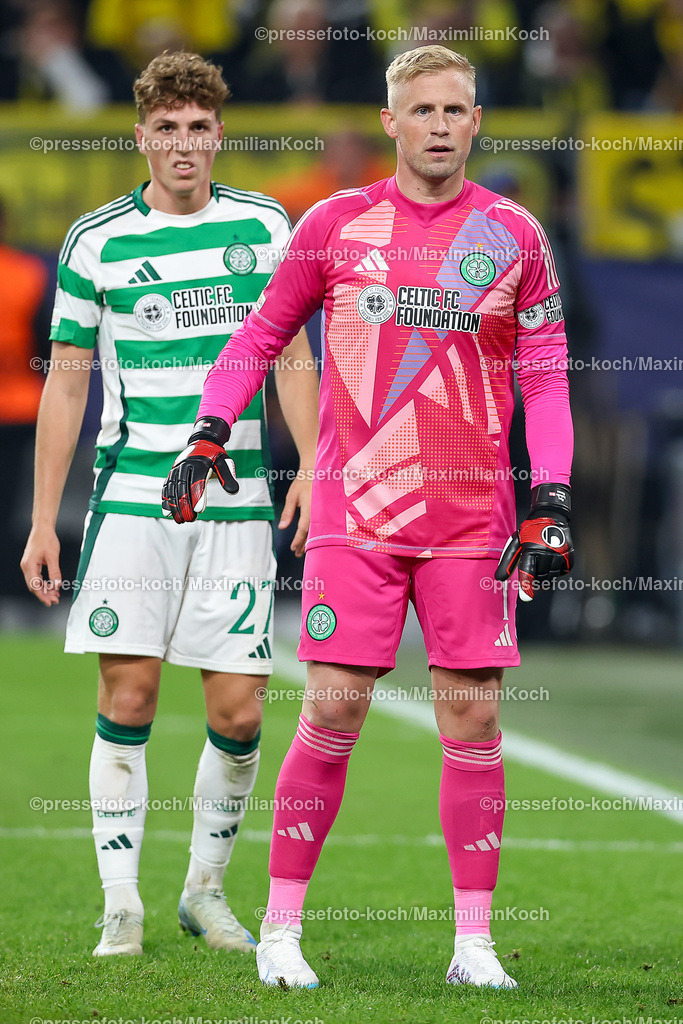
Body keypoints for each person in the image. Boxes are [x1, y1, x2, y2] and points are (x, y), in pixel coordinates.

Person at [164, 44, 574, 990]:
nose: (439, 125)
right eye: (421, 109)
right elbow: (259, 335)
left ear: (476, 122)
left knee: (472, 714)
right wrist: (210, 431)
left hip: (473, 519)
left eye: (455, 110)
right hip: (357, 510)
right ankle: (280, 930)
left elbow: (547, 374)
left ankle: (473, 946)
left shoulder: (515, 234)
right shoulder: (334, 225)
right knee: (333, 705)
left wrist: (550, 495)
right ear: (390, 121)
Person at [20, 51, 319, 959]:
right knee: (131, 693)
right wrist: (42, 519)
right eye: (166, 129)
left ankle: (204, 892)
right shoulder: (95, 241)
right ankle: (122, 905)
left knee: (239, 714)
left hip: (238, 503)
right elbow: (67, 383)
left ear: (219, 134)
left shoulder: (264, 226)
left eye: (197, 128)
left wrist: (311, 464)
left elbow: (292, 357)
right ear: (140, 136)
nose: (183, 144)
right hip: (133, 502)